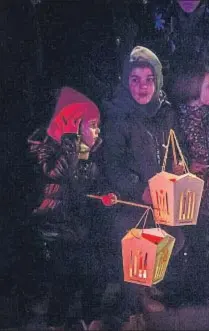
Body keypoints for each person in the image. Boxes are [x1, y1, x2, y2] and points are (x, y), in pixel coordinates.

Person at [100, 45, 186, 327]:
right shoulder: (119, 117)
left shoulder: (165, 111)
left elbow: (171, 148)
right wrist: (139, 189)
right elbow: (113, 165)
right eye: (135, 79)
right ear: (126, 82)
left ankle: (147, 288)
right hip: (132, 201)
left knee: (170, 242)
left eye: (149, 79)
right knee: (136, 251)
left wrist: (177, 167)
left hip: (160, 198)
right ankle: (133, 304)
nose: (142, 86)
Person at [27, 86, 105, 330]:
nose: (98, 131)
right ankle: (55, 322)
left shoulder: (89, 156)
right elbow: (56, 175)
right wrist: (72, 146)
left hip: (76, 227)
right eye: (92, 125)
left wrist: (104, 197)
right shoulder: (46, 147)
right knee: (64, 274)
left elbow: (85, 191)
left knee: (94, 269)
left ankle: (89, 319)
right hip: (53, 227)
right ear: (75, 126)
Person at [169, 62, 209, 304]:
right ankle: (187, 292)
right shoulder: (179, 119)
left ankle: (201, 288)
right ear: (193, 89)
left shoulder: (208, 118)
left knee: (205, 241)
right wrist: (188, 165)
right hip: (188, 196)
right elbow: (173, 152)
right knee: (191, 243)